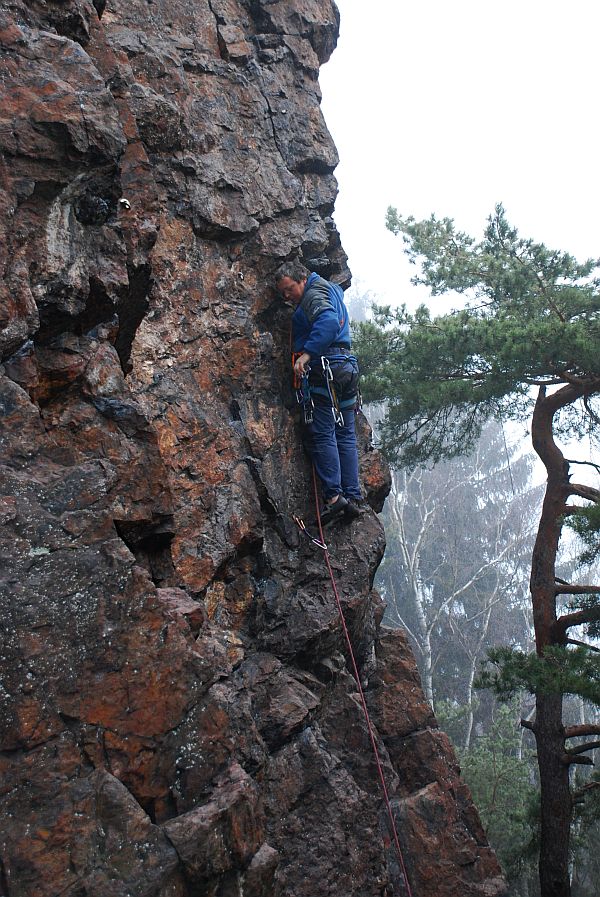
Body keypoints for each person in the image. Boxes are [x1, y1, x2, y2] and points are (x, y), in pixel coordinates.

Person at [276, 261, 365, 524]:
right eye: (283, 292)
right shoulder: (332, 290)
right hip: (346, 367)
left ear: (302, 279)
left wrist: (306, 355)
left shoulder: (315, 294)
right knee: (345, 433)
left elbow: (327, 322)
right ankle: (352, 496)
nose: (287, 296)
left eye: (290, 288)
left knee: (323, 432)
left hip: (326, 368)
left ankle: (335, 499)